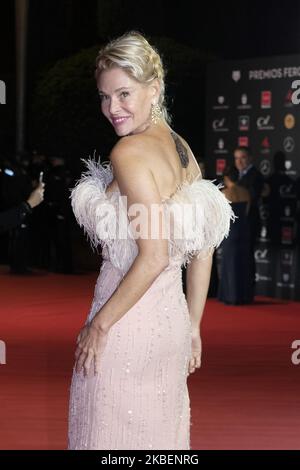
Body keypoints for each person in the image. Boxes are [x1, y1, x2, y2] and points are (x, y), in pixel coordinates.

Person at [67, 31, 235, 450]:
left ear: (154, 88)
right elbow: (204, 242)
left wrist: (99, 324)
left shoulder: (129, 153)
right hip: (170, 325)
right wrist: (193, 325)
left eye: (124, 94)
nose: (112, 108)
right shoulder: (181, 150)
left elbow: (154, 254)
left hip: (124, 328)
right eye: (105, 97)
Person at [217, 165, 253, 304]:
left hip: (231, 232)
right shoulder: (246, 192)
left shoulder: (224, 193)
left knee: (230, 264)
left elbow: (221, 216)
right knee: (243, 264)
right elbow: (247, 212)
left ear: (226, 178)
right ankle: (243, 296)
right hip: (244, 230)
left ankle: (231, 296)